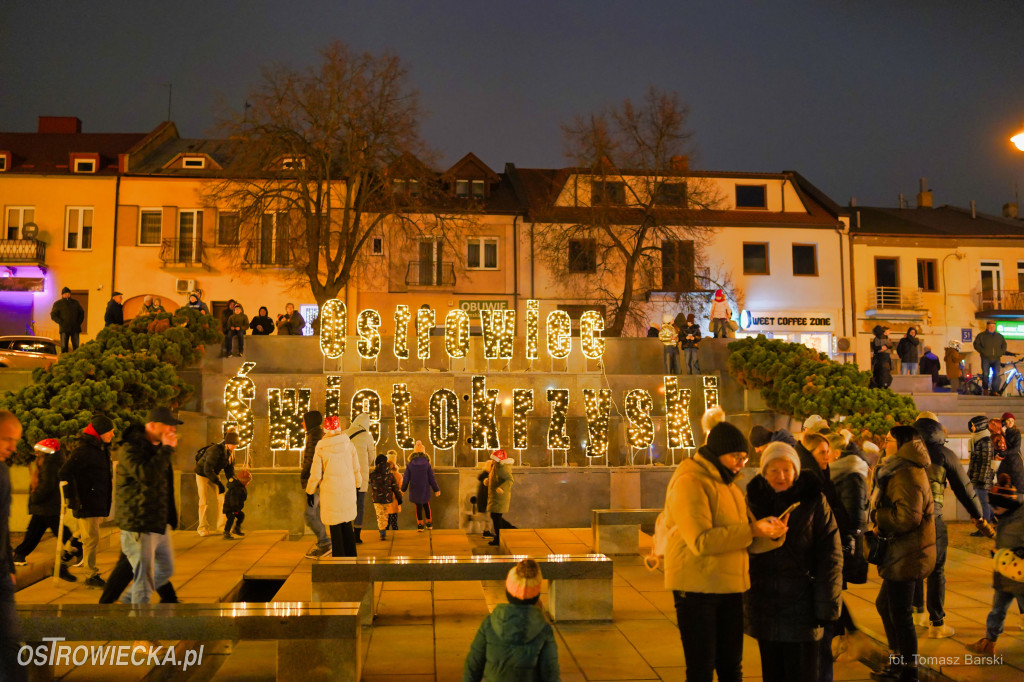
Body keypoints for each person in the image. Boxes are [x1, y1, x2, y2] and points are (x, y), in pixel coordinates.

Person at [663, 420, 787, 682]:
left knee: (731, 666)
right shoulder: (690, 481)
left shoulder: (729, 484)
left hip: (729, 587)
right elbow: (701, 541)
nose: (741, 463)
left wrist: (771, 534)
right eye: (735, 457)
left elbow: (743, 537)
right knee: (702, 668)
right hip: (697, 589)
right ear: (717, 453)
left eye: (744, 457)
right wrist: (753, 530)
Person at [744, 442, 842, 682]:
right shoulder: (752, 502)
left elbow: (831, 554)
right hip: (765, 605)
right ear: (764, 472)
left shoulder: (814, 501)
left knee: (803, 673)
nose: (781, 476)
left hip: (803, 606)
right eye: (774, 470)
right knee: (772, 673)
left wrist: (827, 603)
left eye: (786, 469)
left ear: (796, 471)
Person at [913, 415, 993, 638]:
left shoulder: (903, 452)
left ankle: (916, 613)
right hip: (933, 518)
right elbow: (965, 489)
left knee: (913, 566)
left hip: (908, 519)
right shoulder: (944, 453)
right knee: (936, 570)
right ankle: (937, 623)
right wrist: (978, 516)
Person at [870, 425, 936, 682]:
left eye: (888, 439)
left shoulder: (906, 473)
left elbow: (908, 517)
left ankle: (908, 670)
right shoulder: (899, 468)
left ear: (902, 444)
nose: (884, 443)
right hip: (902, 552)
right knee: (887, 606)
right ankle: (898, 662)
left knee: (899, 612)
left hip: (909, 553)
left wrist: (878, 516)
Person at [116, 407, 181, 605]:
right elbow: (147, 475)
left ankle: (127, 604)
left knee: (165, 570)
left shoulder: (156, 448)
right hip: (139, 523)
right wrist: (167, 449)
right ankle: (139, 622)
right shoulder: (131, 449)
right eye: (168, 425)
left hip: (157, 523)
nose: (172, 429)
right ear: (152, 425)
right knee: (144, 581)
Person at [462, 558, 560, 681]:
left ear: (508, 591)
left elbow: (473, 666)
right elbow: (550, 674)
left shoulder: (490, 623)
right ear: (536, 596)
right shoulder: (543, 630)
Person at [966, 483, 1024, 656]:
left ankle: (989, 643)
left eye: (994, 507)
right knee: (998, 610)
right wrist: (983, 526)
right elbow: (998, 537)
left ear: (1002, 505)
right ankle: (988, 643)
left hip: (1017, 574)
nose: (992, 510)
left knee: (999, 609)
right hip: (1007, 574)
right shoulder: (1008, 516)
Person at [12, 438, 81, 581]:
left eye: (39, 451)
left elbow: (46, 486)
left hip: (46, 505)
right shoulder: (50, 462)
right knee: (36, 531)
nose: (36, 454)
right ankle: (20, 554)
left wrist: (35, 498)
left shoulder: (49, 464)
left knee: (51, 531)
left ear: (46, 452)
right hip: (46, 506)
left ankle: (78, 550)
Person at [830, 432, 873, 660]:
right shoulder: (842, 472)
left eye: (827, 452)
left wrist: (847, 542)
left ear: (836, 453)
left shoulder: (850, 475)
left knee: (832, 590)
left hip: (845, 542)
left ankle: (851, 635)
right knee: (833, 590)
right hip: (840, 540)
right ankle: (844, 637)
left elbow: (855, 516)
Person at [59, 414, 115, 588]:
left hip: (96, 499)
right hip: (87, 501)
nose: (112, 434)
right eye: (110, 431)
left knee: (83, 534)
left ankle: (63, 561)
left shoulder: (100, 449)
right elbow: (64, 472)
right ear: (100, 432)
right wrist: (72, 497)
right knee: (91, 538)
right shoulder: (84, 450)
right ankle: (91, 574)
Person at [305, 415, 361, 557]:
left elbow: (316, 474)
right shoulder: (348, 444)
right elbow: (356, 468)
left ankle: (339, 560)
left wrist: (310, 491)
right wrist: (358, 485)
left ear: (325, 429)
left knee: (335, 528)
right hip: (347, 490)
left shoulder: (322, 447)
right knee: (347, 524)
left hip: (331, 493)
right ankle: (351, 557)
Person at [0, 411, 27, 682]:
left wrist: (9, 565)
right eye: (7, 439)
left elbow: (3, 525)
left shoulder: (3, 471)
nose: (13, 447)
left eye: (15, 441)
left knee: (10, 644)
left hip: (1, 574)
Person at [300, 411, 331, 558]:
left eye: (304, 421)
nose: (302, 424)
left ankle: (325, 543)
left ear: (310, 422)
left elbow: (310, 461)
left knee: (309, 515)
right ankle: (324, 543)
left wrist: (304, 476)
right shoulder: (317, 435)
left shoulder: (314, 437)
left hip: (314, 483)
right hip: (319, 482)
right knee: (316, 513)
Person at [195, 432, 237, 537]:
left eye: (236, 444)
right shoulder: (215, 450)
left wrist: (232, 480)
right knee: (203, 501)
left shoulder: (230, 453)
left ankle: (221, 527)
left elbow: (229, 469)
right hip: (202, 474)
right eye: (233, 444)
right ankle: (202, 528)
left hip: (213, 474)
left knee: (223, 499)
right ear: (227, 443)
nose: (235, 447)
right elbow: (207, 469)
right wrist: (218, 483)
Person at [345, 413, 374, 544]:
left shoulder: (345, 434)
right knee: (359, 505)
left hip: (346, 475)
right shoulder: (367, 436)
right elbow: (371, 457)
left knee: (346, 504)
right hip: (361, 477)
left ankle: (346, 532)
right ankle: (356, 535)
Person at [402, 441, 440, 531]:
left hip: (415, 489)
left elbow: (406, 478)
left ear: (414, 452)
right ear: (424, 452)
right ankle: (429, 523)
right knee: (426, 505)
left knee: (418, 507)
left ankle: (420, 525)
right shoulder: (427, 464)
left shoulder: (410, 464)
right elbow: (431, 478)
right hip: (425, 489)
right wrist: (436, 489)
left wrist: (403, 490)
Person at [967, 416, 996, 526]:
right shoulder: (977, 439)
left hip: (982, 478)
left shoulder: (986, 441)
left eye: (973, 425)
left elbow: (986, 462)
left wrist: (982, 480)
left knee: (983, 503)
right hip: (977, 476)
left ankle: (986, 526)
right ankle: (993, 520)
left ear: (980, 426)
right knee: (981, 502)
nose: (972, 428)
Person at [368, 454, 401, 540]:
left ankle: (382, 531)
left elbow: (367, 481)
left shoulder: (373, 474)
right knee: (385, 515)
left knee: (380, 515)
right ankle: (383, 530)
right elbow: (395, 487)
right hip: (387, 499)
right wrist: (399, 498)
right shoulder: (390, 475)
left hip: (377, 499)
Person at [486, 449, 515, 547]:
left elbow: (510, 480)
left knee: (496, 517)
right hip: (495, 496)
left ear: (498, 459)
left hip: (500, 497)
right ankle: (509, 529)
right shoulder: (495, 466)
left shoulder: (502, 468)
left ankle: (499, 538)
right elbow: (494, 478)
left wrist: (501, 487)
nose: (492, 461)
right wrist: (488, 481)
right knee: (496, 517)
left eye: (494, 459)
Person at [974, 320, 1008, 394]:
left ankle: (994, 390)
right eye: (990, 326)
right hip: (985, 358)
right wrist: (983, 351)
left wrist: (1001, 352)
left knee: (996, 374)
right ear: (987, 326)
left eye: (993, 326)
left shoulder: (999, 336)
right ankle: (985, 389)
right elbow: (976, 344)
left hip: (996, 358)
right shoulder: (981, 336)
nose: (992, 328)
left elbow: (1004, 345)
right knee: (985, 374)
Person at [50, 286, 85, 353]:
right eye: (65, 293)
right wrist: (60, 321)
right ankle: (64, 358)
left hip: (75, 328)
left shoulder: (75, 303)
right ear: (62, 294)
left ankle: (75, 358)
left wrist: (78, 323)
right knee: (64, 347)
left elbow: (81, 313)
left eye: (68, 293)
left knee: (76, 346)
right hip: (64, 328)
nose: (67, 294)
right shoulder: (58, 304)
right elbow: (53, 315)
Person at [222, 469, 251, 539]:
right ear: (243, 481)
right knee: (231, 517)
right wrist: (235, 509)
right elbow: (233, 499)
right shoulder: (236, 488)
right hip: (230, 509)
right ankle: (226, 532)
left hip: (235, 509)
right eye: (247, 481)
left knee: (241, 515)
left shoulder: (240, 487)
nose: (248, 483)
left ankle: (236, 529)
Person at [386, 452, 402, 531]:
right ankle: (395, 534)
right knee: (393, 522)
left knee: (387, 522)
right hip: (393, 499)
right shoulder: (398, 475)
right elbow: (401, 487)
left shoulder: (384, 474)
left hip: (387, 500)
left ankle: (385, 534)